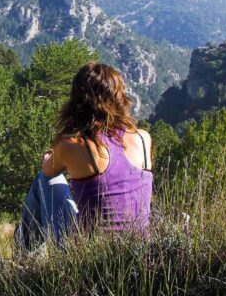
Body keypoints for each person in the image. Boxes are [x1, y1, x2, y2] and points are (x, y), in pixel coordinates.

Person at [15, 62, 153, 251]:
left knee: (43, 180)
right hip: (138, 254)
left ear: (78, 101)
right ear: (119, 98)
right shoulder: (143, 139)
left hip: (85, 256)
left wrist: (51, 157)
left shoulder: (75, 145)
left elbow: (48, 171)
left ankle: (26, 255)